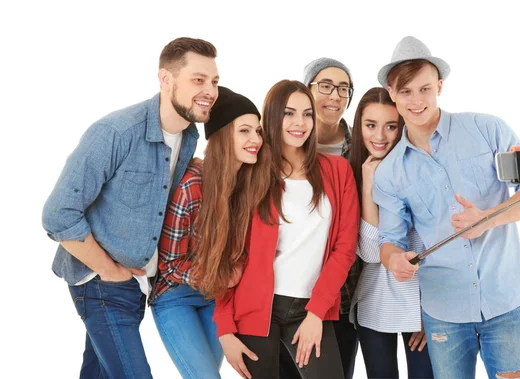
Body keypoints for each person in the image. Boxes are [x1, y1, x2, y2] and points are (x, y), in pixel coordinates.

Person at [41, 37, 219, 378]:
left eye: (214, 81)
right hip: (101, 282)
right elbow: (58, 213)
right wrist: (108, 269)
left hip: (139, 285)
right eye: (198, 79)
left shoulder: (191, 136)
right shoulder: (116, 132)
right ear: (166, 79)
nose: (209, 90)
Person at [374, 36, 520, 379]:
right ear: (392, 94)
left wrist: (487, 219)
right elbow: (389, 240)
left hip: (506, 303)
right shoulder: (389, 173)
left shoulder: (487, 129)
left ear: (439, 85)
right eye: (405, 91)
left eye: (424, 88)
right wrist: (394, 259)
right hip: (445, 315)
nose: (416, 100)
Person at [214, 80, 359, 379]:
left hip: (310, 305)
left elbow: (344, 249)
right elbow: (227, 256)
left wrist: (317, 312)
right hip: (255, 309)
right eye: (289, 113)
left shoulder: (337, 171)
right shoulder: (251, 173)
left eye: (307, 114)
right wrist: (225, 329)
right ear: (272, 116)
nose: (299, 123)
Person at [149, 87, 270, 379]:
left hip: (216, 298)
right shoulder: (192, 183)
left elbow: (246, 252)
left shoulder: (250, 186)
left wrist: (235, 272)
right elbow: (169, 263)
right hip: (175, 295)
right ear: (222, 135)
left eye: (257, 130)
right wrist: (218, 277)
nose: (255, 140)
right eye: (244, 131)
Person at [277, 58, 359, 379]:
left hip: (346, 291)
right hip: (286, 294)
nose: (335, 96)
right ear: (307, 90)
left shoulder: (361, 147)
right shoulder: (277, 147)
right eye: (325, 86)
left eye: (343, 89)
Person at [348, 87, 434, 379]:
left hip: (421, 301)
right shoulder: (353, 172)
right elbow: (372, 253)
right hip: (376, 300)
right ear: (359, 126)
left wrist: (432, 311)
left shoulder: (421, 167)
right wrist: (368, 184)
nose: (380, 136)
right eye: (371, 125)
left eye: (391, 126)